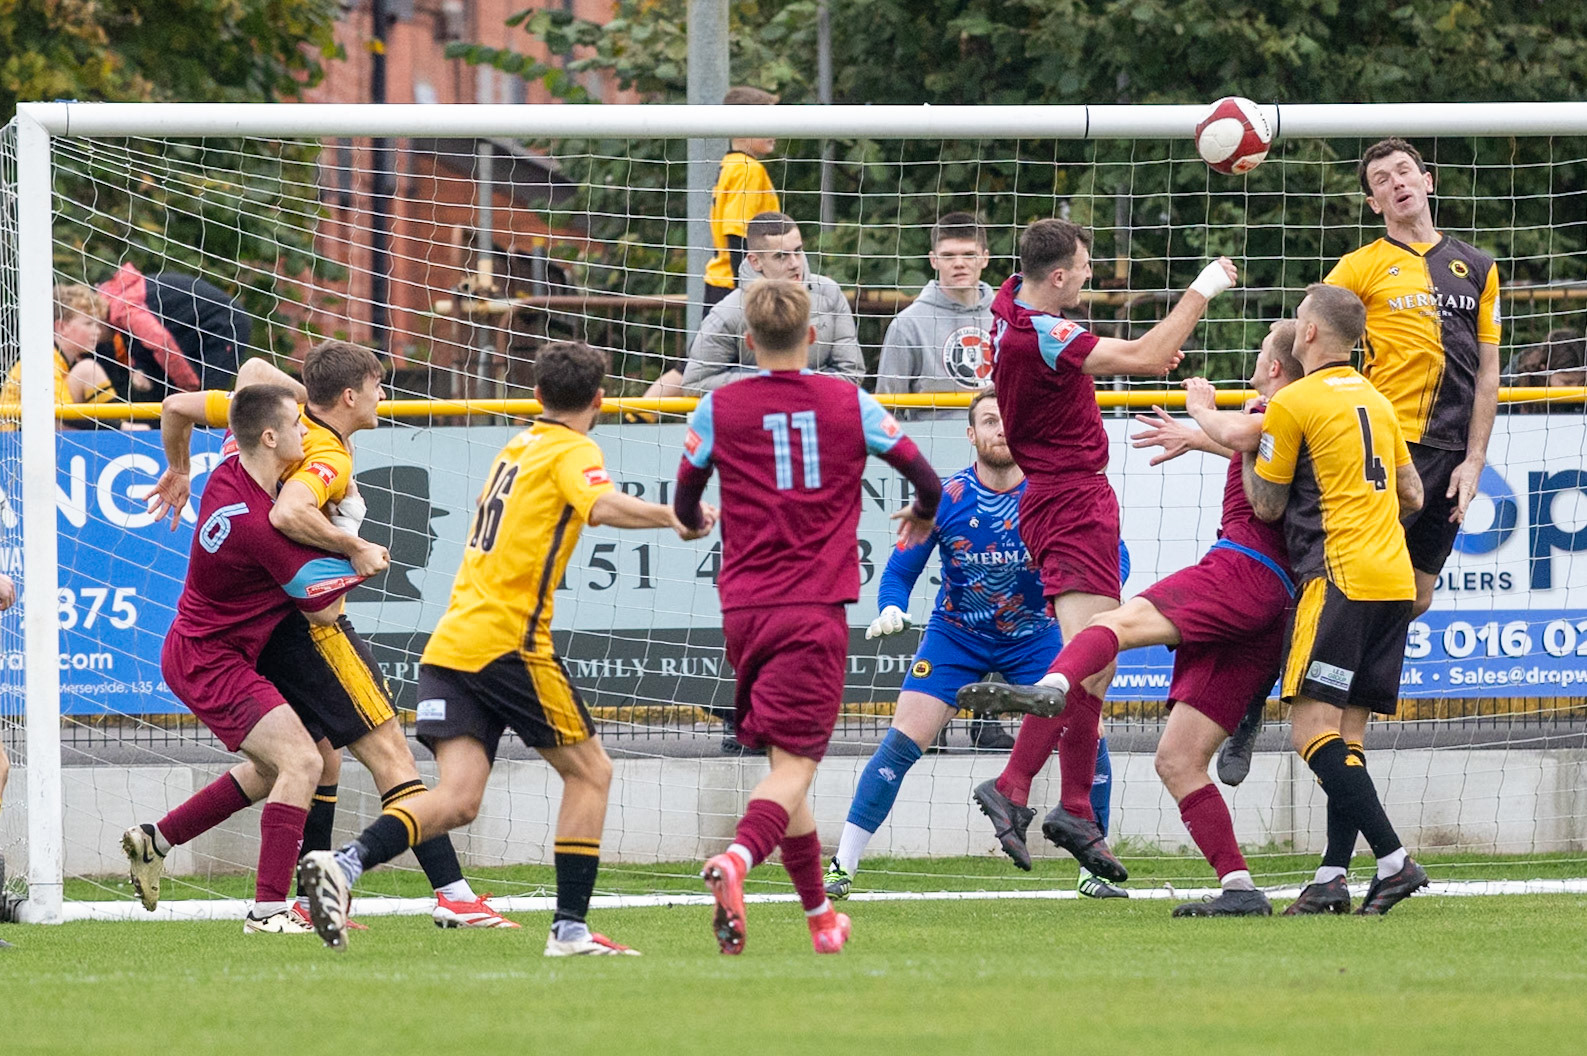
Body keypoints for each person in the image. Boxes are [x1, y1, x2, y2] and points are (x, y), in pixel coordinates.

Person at [299, 341, 715, 955]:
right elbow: (598, 503)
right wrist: (673, 516)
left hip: (452, 644)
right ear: (598, 401)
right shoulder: (574, 448)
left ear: (537, 396)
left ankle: (347, 864)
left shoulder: (516, 448)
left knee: (458, 800)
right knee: (592, 772)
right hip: (507, 643)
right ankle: (570, 929)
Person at [141, 344, 510, 929]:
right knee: (387, 751)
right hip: (301, 623)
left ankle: (192, 853)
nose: (385, 397)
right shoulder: (320, 460)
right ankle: (454, 895)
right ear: (348, 397)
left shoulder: (258, 424)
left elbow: (206, 393)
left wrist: (181, 467)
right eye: (377, 385)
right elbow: (293, 527)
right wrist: (353, 539)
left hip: (257, 632)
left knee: (312, 762)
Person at [954, 218, 1238, 884]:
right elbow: (1140, 356)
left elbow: (1103, 349)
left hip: (1061, 499)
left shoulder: (1009, 307)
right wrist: (1203, 288)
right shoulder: (1044, 333)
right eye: (1082, 266)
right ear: (1055, 277)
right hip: (1071, 501)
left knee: (1094, 667)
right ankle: (1018, 784)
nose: (1088, 275)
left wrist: (1126, 352)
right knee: (1091, 655)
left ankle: (1070, 805)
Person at [674, 280, 941, 955]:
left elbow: (684, 500)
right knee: (795, 768)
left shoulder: (717, 405)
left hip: (742, 610)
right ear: (813, 338)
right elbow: (926, 478)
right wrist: (922, 513)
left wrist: (692, 522)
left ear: (747, 342)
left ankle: (820, 918)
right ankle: (735, 859)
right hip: (811, 609)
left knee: (780, 765)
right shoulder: (847, 401)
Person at [824, 389, 1130, 902]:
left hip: (1035, 636)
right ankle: (842, 865)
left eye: (1008, 420)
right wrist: (891, 608)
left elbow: (1112, 558)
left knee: (1089, 729)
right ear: (971, 434)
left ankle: (1092, 869)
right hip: (955, 635)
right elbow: (898, 572)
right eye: (989, 421)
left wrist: (1084, 602)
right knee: (903, 737)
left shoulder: (1052, 496)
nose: (1001, 430)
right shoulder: (943, 498)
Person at [1064, 319, 1300, 916]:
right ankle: (1240, 888)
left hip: (1244, 571)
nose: (1252, 366)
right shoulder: (1275, 424)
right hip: (1267, 602)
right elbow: (1254, 447)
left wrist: (1201, 410)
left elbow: (1252, 442)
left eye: (1259, 356)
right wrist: (1202, 438)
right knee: (1176, 759)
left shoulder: (1283, 411)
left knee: (1107, 627)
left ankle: (1037, 726)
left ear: (1275, 368)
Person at [125, 385, 372, 932]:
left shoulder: (228, 472)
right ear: (270, 436)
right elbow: (327, 613)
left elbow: (178, 408)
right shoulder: (261, 528)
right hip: (210, 662)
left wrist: (178, 466)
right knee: (303, 763)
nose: (307, 432)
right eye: (297, 425)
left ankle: (155, 839)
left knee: (274, 769)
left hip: (206, 650)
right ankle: (268, 910)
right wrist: (355, 540)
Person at [1246, 284, 1428, 916]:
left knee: (1309, 731)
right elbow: (1413, 496)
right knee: (1347, 739)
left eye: (1299, 320)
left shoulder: (1293, 400)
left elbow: (1266, 504)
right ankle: (1330, 877)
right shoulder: (1377, 401)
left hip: (1339, 576)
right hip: (1393, 582)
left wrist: (1252, 440)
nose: (1295, 329)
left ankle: (1395, 861)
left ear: (1313, 334)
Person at [641, 86, 782, 405]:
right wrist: (745, 289)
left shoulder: (732, 165)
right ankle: (641, 414)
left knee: (700, 358)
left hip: (722, 280)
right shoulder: (748, 170)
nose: (776, 130)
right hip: (730, 282)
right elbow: (737, 233)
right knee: (701, 361)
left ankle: (642, 413)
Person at [682, 212, 865, 394]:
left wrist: (796, 386)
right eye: (781, 256)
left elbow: (852, 373)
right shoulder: (728, 312)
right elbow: (695, 383)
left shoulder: (829, 293)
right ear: (755, 262)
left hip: (819, 418)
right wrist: (771, 385)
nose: (794, 263)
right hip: (755, 420)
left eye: (798, 251)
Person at [876, 211, 996, 414]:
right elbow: (887, 409)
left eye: (969, 254)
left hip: (1000, 440)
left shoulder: (1007, 317)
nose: (959, 263)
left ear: (985, 258)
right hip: (931, 439)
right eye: (948, 255)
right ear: (933, 260)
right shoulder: (907, 324)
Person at [97, 263, 249, 397]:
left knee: (206, 398)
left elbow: (161, 343)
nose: (94, 336)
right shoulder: (120, 297)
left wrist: (189, 388)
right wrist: (140, 368)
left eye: (91, 325)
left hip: (225, 326)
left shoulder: (125, 309)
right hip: (193, 331)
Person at [0, 284, 117, 430]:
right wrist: (120, 427)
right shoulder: (44, 362)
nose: (97, 331)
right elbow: (62, 414)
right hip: (16, 440)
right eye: (89, 323)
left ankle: (120, 430)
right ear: (61, 327)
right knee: (88, 370)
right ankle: (122, 431)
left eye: (97, 324)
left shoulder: (58, 361)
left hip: (31, 432)